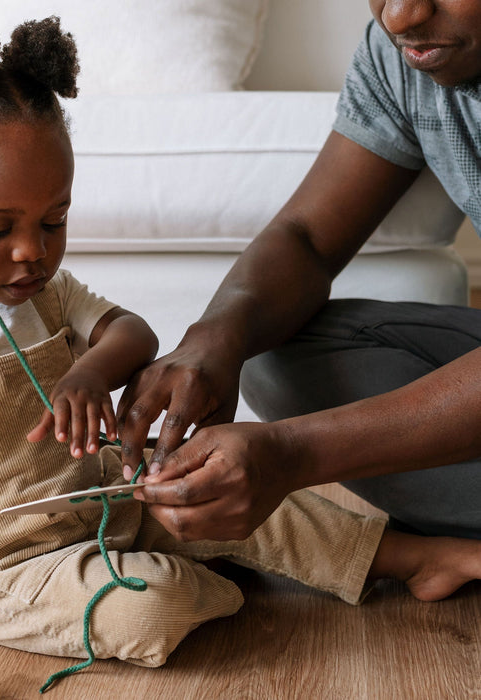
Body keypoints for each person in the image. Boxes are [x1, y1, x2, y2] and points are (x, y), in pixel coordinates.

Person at [0, 4, 480, 673]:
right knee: (149, 601)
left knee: (268, 503)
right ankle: (196, 575)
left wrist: (88, 373)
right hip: (4, 561)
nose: (31, 251)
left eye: (53, 222)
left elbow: (131, 334)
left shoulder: (53, 293)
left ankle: (412, 555)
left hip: (104, 500)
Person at [118, 0, 481, 549]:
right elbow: (307, 237)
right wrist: (213, 338)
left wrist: (292, 454)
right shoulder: (400, 57)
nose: (401, 16)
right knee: (272, 352)